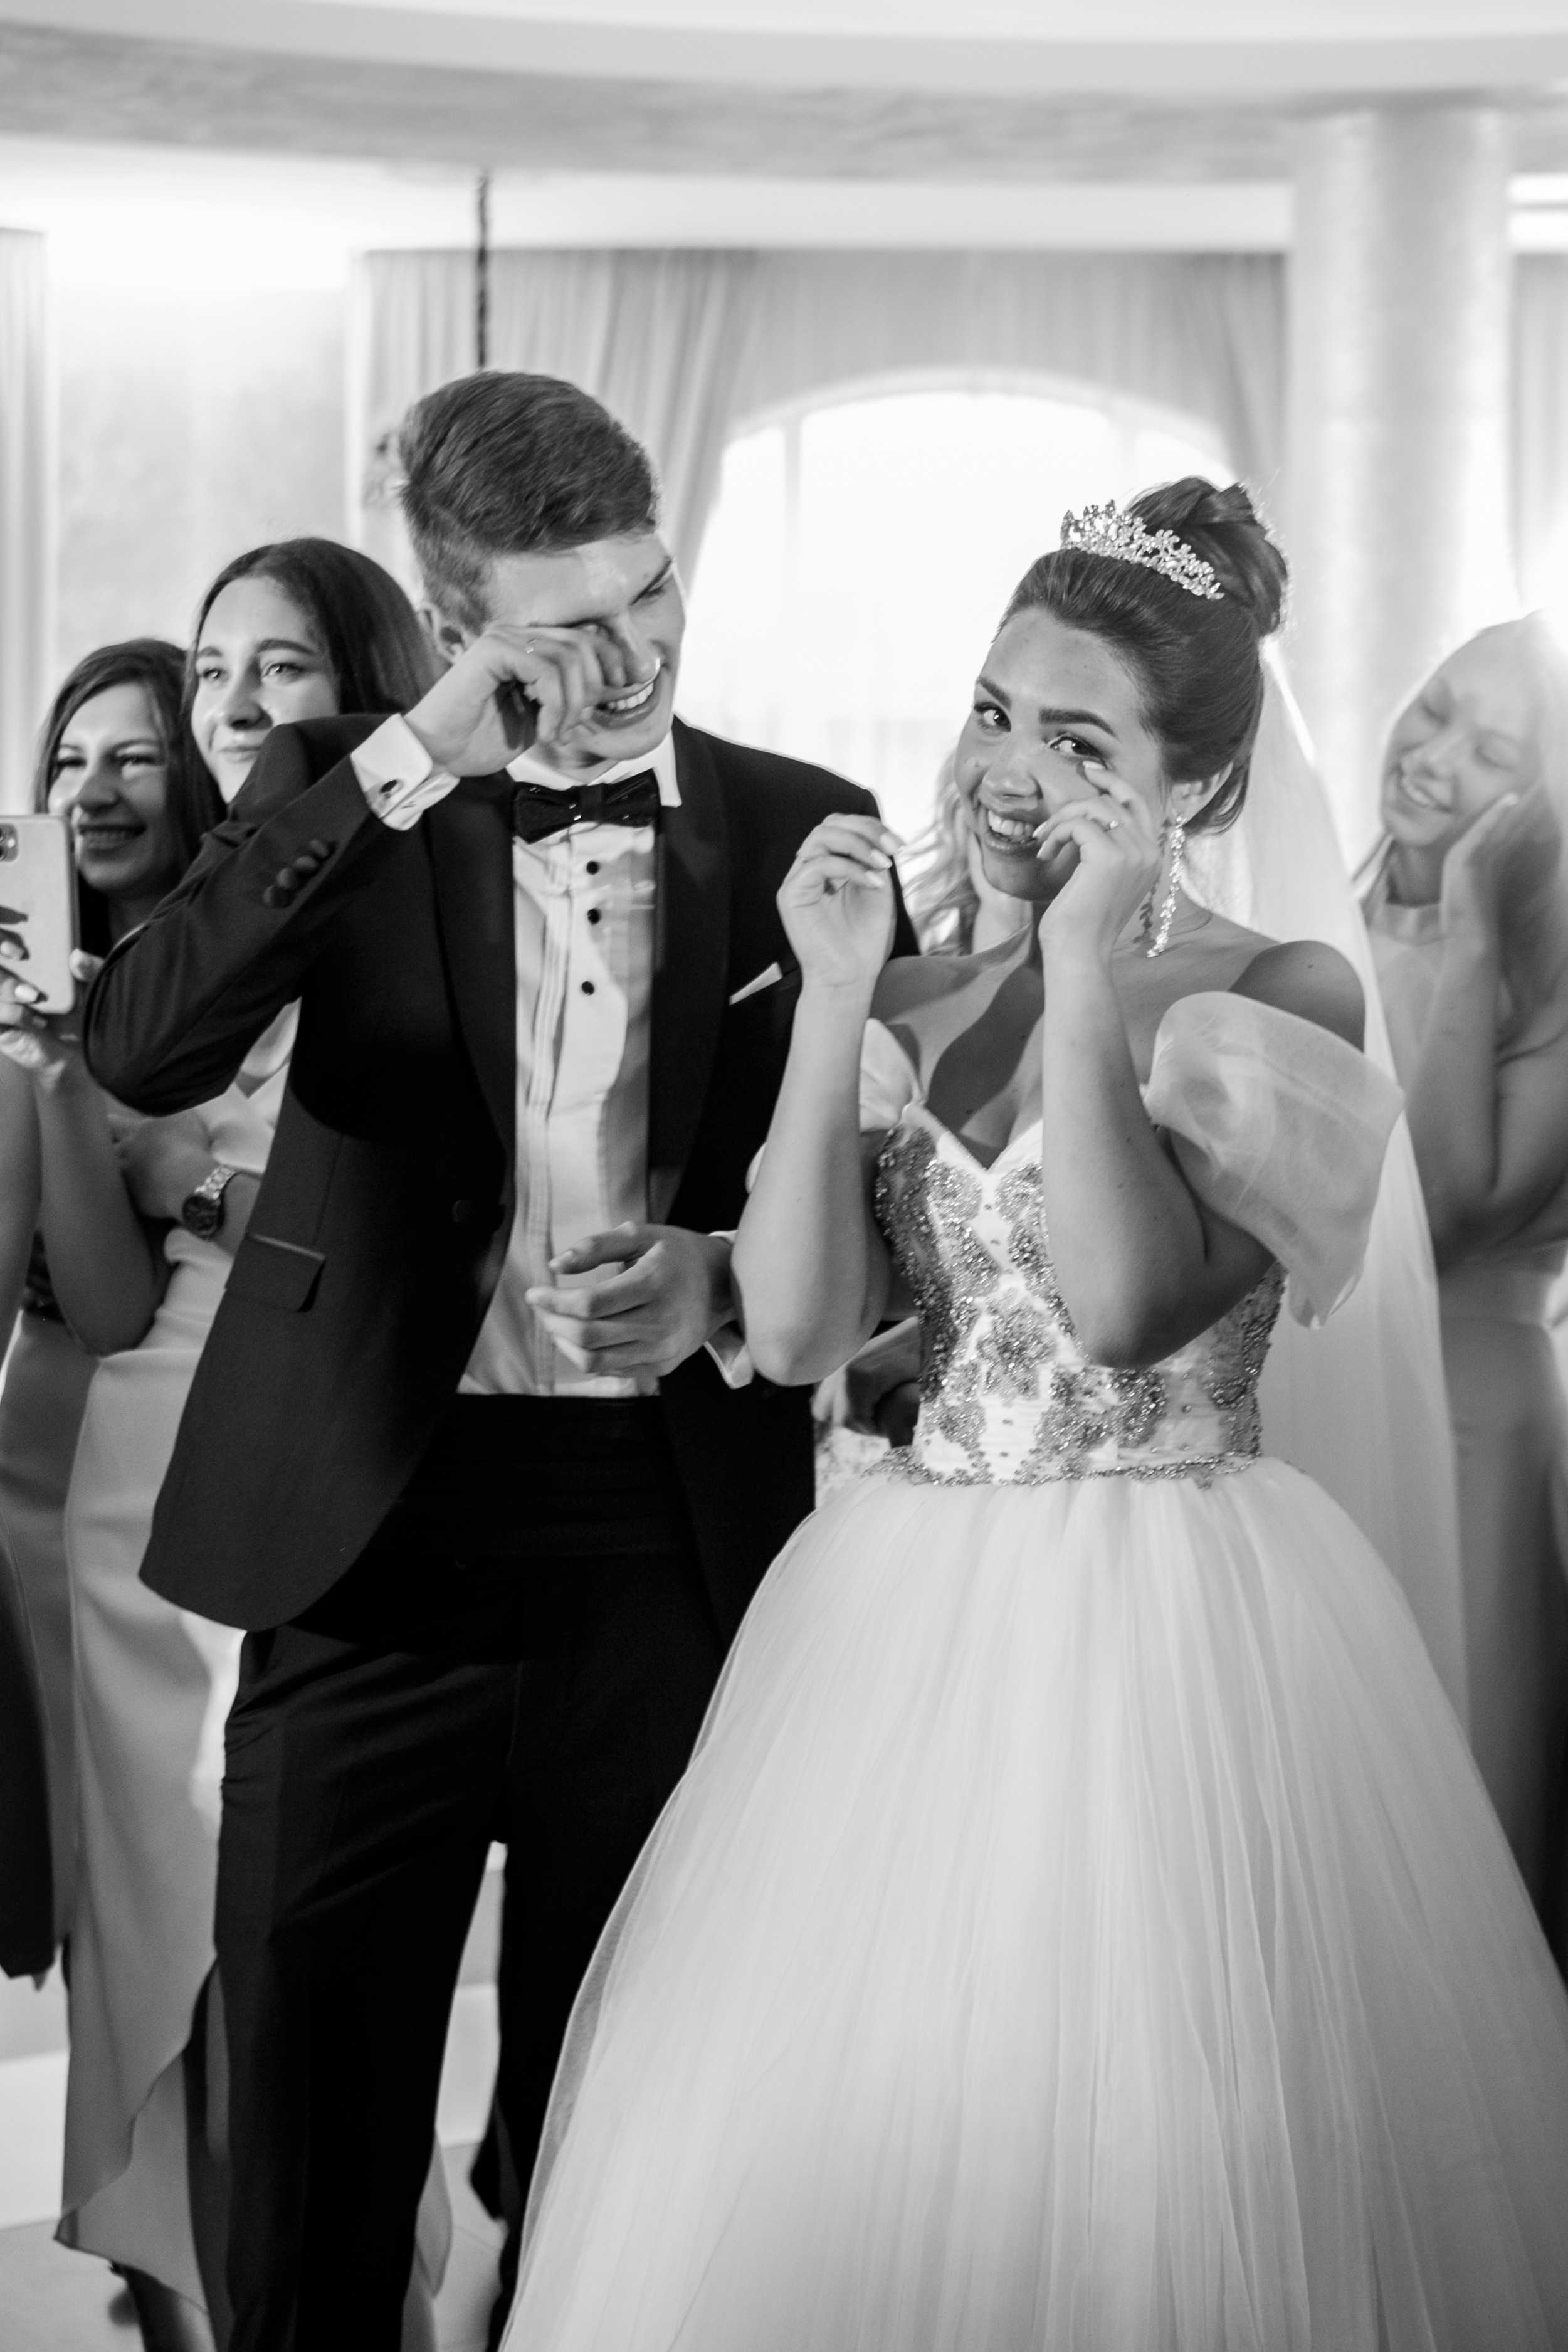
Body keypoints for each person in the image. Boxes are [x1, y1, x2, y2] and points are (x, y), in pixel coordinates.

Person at [503, 483, 1568, 2352]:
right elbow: (803, 1329)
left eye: (1077, 740)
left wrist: (1077, 962)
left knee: (1162, 2130)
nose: (1007, 768)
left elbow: (1123, 1305)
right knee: (886, 2109)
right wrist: (836, 1000)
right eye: (992, 710)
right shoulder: (910, 991)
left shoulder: (1272, 990)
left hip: (1173, 1616)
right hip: (899, 1603)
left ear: (1193, 788)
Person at [76, 370, 917, 2352]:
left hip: (665, 1550)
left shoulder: (808, 828)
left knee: (612, 2124)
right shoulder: (341, 798)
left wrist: (718, 1279)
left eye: (651, 596)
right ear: (461, 631)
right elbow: (138, 1047)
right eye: (564, 628)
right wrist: (405, 764)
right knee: (305, 2128)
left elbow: (897, 1209)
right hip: (361, 1546)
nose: (627, 658)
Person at [10, 547, 439, 2352]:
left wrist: (232, 1194)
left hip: (309, 1451)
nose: (235, 704)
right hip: (121, 1471)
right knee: (160, 1933)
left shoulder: (394, 906)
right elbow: (99, 1310)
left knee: (297, 1945)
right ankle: (193, 2298)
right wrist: (58, 1091)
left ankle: (347, 2289)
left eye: (276, 668)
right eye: (211, 672)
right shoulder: (151, 972)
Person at [0, 641, 222, 2007]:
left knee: (169, 1873)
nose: (97, 788)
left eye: (136, 756)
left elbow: (112, 1299)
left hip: (158, 1457)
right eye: (72, 759)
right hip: (36, 1450)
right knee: (76, 1870)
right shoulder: (26, 984)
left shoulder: (222, 992)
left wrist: (63, 1075)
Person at [1361, 614, 1568, 1943]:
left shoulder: (1550, 974)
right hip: (1312, 1409)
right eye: (1432, 709)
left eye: (1492, 750)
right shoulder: (1304, 912)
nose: (1431, 757)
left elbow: (1436, 1210)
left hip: (1473, 1424)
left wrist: (1472, 928)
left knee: (1467, 1842)